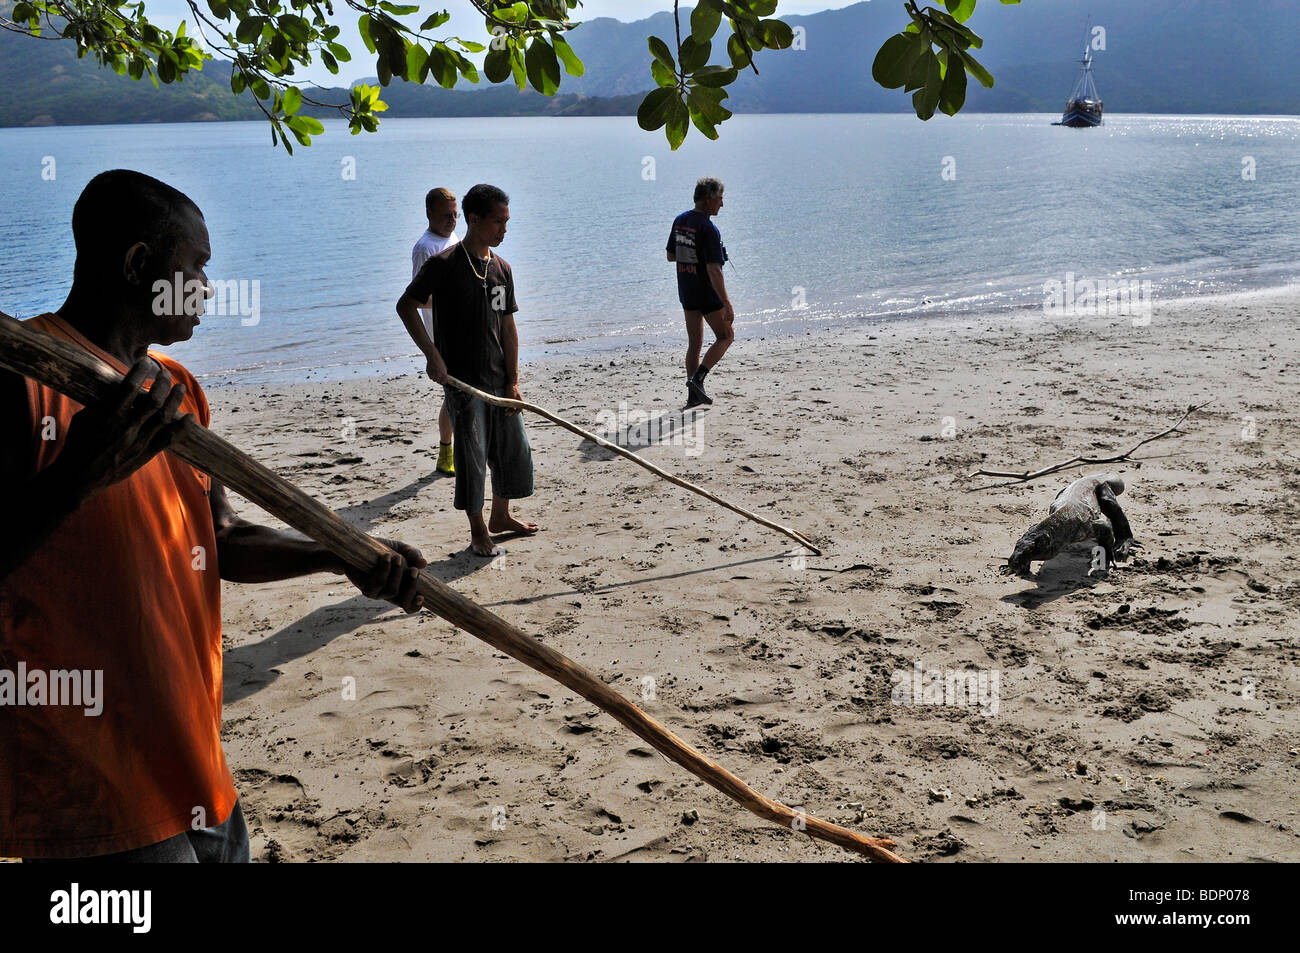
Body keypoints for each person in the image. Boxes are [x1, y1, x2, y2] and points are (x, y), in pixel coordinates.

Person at [0, 169, 427, 862]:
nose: (207, 288)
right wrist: (80, 474)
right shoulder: (21, 380)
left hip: (195, 762)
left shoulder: (174, 389)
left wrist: (343, 553)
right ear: (140, 264)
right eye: (195, 267)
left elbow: (222, 537)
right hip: (94, 787)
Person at [396, 184, 538, 557]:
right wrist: (432, 355)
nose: (504, 230)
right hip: (462, 382)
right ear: (474, 220)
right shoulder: (443, 265)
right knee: (472, 456)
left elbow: (507, 326)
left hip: (497, 379)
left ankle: (501, 516)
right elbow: (406, 306)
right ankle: (477, 531)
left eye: (507, 222)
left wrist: (513, 381)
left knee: (512, 450)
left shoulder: (501, 269)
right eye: (497, 222)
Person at [667, 176, 735, 408]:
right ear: (708, 200)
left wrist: (691, 254)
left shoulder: (680, 221)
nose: (722, 204)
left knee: (694, 343)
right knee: (726, 336)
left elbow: (671, 255)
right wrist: (726, 303)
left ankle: (693, 396)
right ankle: (698, 379)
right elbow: (714, 270)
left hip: (686, 290)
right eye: (719, 199)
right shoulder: (708, 228)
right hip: (706, 292)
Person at [411, 187, 460, 476]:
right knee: (452, 397)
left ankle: (459, 449)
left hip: (462, 331)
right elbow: (418, 298)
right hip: (441, 336)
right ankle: (445, 453)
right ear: (429, 213)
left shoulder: (454, 238)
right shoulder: (425, 247)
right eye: (446, 215)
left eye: (455, 215)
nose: (452, 221)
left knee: (459, 395)